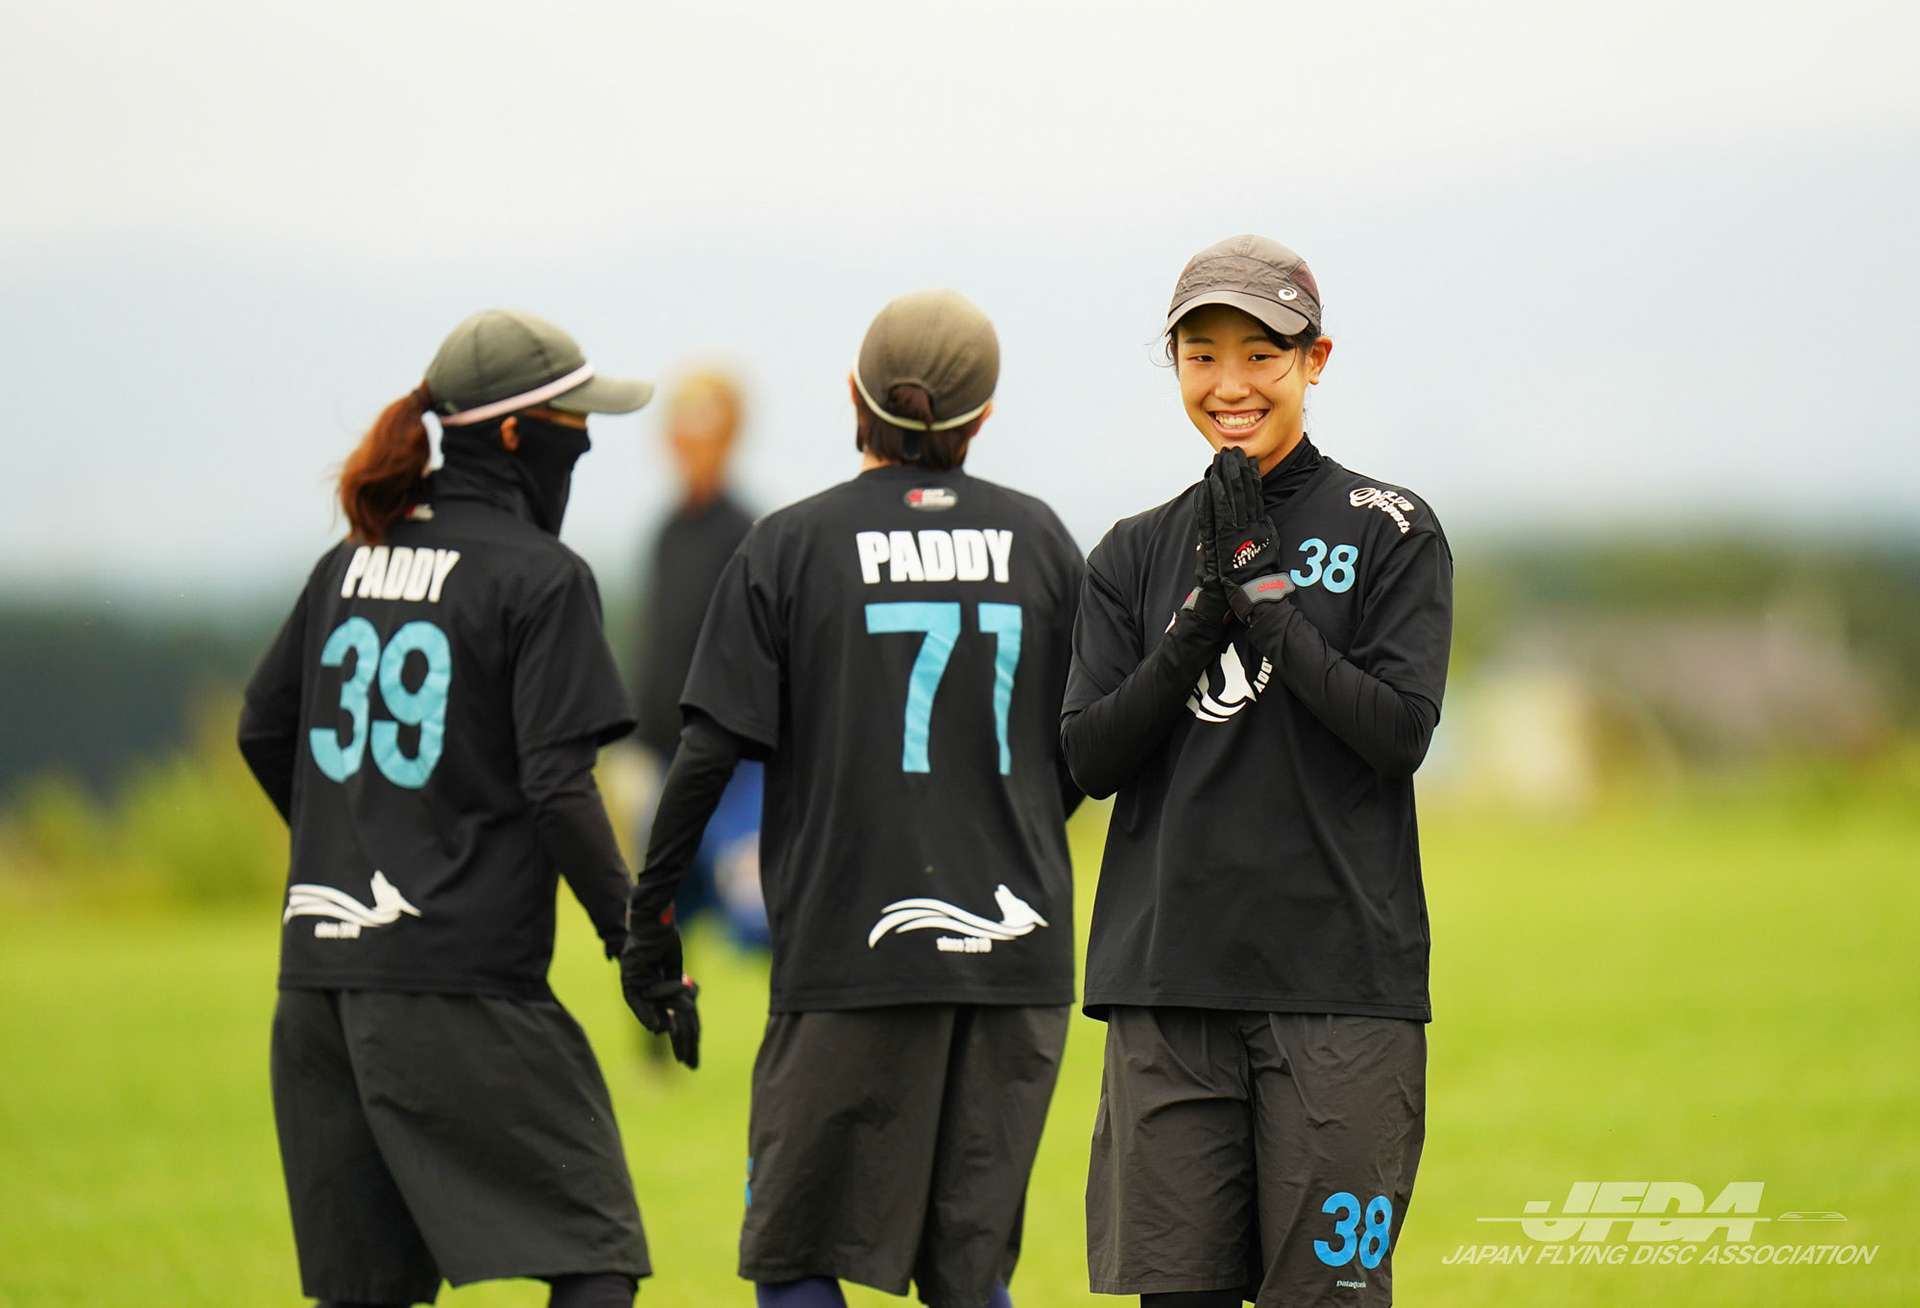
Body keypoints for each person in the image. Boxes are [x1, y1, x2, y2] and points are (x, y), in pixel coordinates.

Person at [619, 289, 1087, 1308]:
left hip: (850, 950)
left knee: (796, 1256)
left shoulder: (792, 544)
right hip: (1018, 956)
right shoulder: (1044, 540)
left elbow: (704, 757)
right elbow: (1081, 754)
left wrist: (650, 920)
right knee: (970, 1275)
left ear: (852, 395)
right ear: (983, 417)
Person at [1062, 235, 1453, 1308]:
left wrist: (1271, 602)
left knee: (1327, 1296)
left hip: (1341, 990)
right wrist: (1201, 616)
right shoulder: (1131, 552)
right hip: (1167, 987)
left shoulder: (1392, 530)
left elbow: (1400, 732)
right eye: (1201, 356)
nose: (1229, 384)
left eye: (1261, 355)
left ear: (1315, 360)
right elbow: (1089, 754)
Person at [237, 309, 656, 1308]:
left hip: (319, 988)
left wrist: (366, 843)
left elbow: (263, 730)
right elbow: (560, 791)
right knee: (595, 1255)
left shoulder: (349, 564)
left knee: (367, 1291)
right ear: (512, 435)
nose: (585, 444)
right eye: (572, 426)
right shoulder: (542, 578)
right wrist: (635, 937)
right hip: (461, 983)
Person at [630, 371, 766, 946]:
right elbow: (657, 644)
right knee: (660, 914)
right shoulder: (666, 532)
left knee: (753, 918)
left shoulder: (748, 532)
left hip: (734, 764)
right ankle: (663, 1003)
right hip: (666, 754)